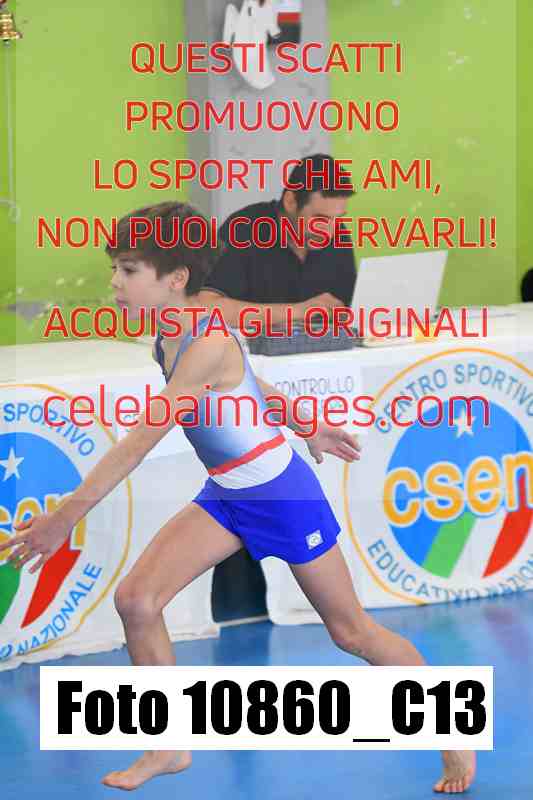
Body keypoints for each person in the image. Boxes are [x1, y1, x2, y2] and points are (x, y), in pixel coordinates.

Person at [0, 202, 475, 794]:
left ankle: (450, 732)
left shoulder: (204, 341)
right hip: (226, 494)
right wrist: (305, 422)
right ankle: (168, 745)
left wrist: (62, 518)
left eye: (128, 270)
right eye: (115, 269)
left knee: (351, 632)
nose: (115, 283)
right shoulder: (172, 330)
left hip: (282, 496)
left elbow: (141, 442)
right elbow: (250, 381)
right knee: (137, 601)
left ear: (175, 278)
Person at [198, 153, 357, 327]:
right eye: (320, 218)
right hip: (248, 345)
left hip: (324, 344)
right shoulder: (242, 229)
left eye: (337, 218)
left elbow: (353, 309)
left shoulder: (338, 234)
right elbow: (205, 308)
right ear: (290, 201)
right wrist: (297, 311)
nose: (330, 231)